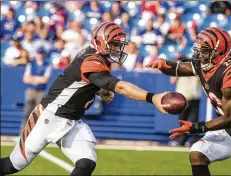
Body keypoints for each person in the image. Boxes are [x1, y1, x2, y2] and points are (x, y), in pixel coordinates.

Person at [0, 22, 167, 176]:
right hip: (49, 117)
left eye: (119, 45)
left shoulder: (97, 57)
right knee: (12, 165)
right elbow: (121, 86)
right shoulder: (91, 59)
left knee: (86, 163)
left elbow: (81, 80)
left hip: (71, 121)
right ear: (100, 42)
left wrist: (100, 89)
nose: (118, 49)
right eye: (114, 45)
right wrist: (153, 97)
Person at [146, 27, 231, 176]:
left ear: (219, 52)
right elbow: (181, 68)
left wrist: (194, 127)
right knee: (197, 154)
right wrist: (164, 64)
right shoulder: (206, 62)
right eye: (199, 49)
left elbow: (230, 119)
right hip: (228, 132)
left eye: (205, 51)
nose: (200, 54)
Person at [21, 48, 52, 133]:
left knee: (39, 114)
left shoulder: (47, 65)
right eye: (39, 53)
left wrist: (33, 78)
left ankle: (37, 133)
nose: (40, 55)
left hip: (41, 92)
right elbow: (25, 78)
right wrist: (38, 79)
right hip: (31, 90)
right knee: (27, 113)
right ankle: (23, 133)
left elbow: (45, 79)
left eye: (41, 54)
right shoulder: (31, 64)